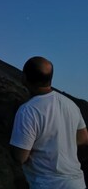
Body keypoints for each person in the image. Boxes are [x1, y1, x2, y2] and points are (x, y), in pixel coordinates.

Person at [10, 56, 88, 188]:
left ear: (24, 77)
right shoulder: (71, 105)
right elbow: (84, 137)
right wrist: (61, 142)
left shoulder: (28, 110)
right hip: (77, 184)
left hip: (48, 184)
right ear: (50, 78)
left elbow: (20, 156)